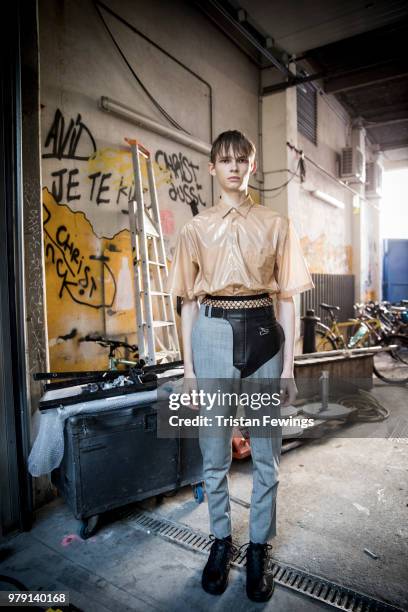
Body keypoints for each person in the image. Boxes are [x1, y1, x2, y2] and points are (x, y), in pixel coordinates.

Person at [165, 130, 314, 602]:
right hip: (211, 332)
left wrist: (289, 367)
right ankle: (220, 541)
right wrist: (188, 369)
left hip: (263, 333)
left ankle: (257, 549)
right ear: (212, 168)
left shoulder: (276, 224)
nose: (233, 166)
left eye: (241, 159)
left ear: (252, 166)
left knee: (267, 452)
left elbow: (287, 298)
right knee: (214, 451)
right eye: (224, 160)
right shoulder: (195, 228)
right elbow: (188, 303)